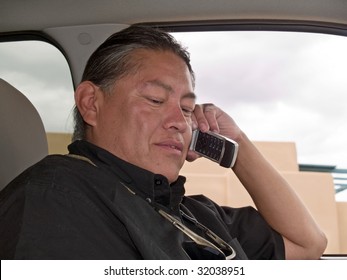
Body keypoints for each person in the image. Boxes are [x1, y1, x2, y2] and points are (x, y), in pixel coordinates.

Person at [0, 25, 327, 260]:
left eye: (187, 109)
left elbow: (307, 244)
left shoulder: (195, 213)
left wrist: (238, 144)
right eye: (156, 99)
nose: (179, 122)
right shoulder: (55, 198)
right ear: (91, 104)